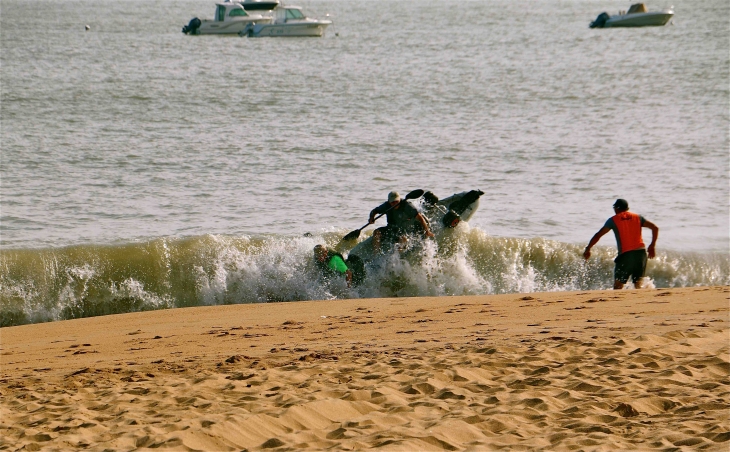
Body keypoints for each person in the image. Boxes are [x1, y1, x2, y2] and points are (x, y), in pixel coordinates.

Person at [583, 199, 659, 289]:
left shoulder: (613, 220)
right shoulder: (638, 217)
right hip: (640, 254)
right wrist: (652, 245)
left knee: (618, 286)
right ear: (627, 208)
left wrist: (588, 248)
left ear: (617, 208)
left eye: (614, 208)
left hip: (626, 255)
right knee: (638, 285)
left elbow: (598, 235)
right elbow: (655, 228)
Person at [368, 191, 434, 252]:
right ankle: (376, 255)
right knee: (376, 232)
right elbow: (374, 211)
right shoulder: (386, 206)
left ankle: (398, 259)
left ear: (399, 199)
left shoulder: (407, 206)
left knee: (402, 239)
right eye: (392, 202)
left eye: (396, 201)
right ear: (389, 202)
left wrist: (427, 231)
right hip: (392, 229)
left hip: (404, 231)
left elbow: (420, 218)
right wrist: (371, 217)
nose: (394, 204)